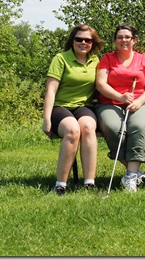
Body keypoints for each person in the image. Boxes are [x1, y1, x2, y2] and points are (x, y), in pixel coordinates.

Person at [42, 24, 104, 195]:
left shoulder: (96, 61)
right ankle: (61, 184)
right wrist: (46, 119)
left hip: (84, 107)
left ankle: (89, 183)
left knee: (88, 127)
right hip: (60, 107)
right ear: (72, 41)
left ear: (93, 43)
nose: (83, 42)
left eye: (88, 40)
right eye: (79, 39)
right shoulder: (61, 59)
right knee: (72, 130)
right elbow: (51, 91)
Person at [96, 24, 145, 192]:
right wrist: (120, 97)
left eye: (127, 37)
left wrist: (139, 101)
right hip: (111, 103)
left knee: (137, 127)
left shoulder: (144, 60)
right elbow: (101, 84)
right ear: (115, 40)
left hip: (141, 102)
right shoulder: (107, 59)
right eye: (120, 37)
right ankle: (135, 172)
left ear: (134, 40)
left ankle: (130, 176)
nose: (123, 40)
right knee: (113, 128)